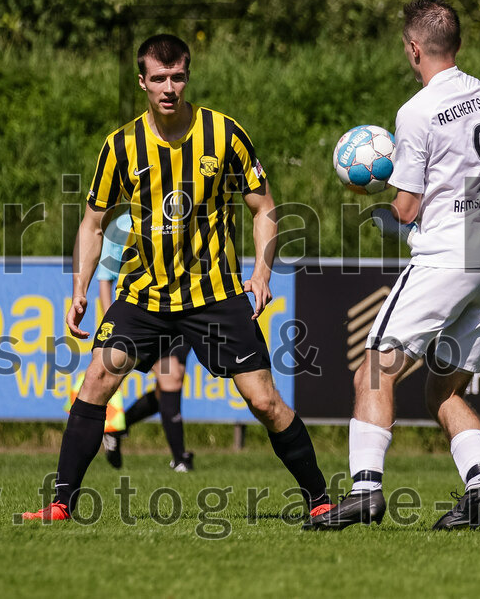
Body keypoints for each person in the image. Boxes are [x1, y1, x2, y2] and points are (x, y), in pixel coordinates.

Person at [23, 34, 333, 522]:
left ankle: (321, 499)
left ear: (188, 76)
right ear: (141, 81)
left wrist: (262, 273)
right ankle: (61, 503)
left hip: (214, 294)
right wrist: (80, 289)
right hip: (144, 294)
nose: (169, 87)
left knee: (265, 401)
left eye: (178, 77)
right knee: (98, 377)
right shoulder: (121, 145)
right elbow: (92, 223)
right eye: (159, 78)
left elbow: (264, 208)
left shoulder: (224, 134)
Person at [306, 0, 480, 531]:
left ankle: (365, 493)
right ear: (457, 46)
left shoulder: (416, 112)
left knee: (375, 366)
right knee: (444, 387)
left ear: (414, 49)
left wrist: (382, 216)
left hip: (449, 257)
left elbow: (408, 208)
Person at [96, 212, 193, 472]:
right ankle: (180, 459)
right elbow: (105, 278)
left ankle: (118, 429)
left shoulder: (177, 214)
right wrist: (113, 325)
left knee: (169, 382)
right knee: (170, 376)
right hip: (145, 316)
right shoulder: (120, 227)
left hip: (183, 309)